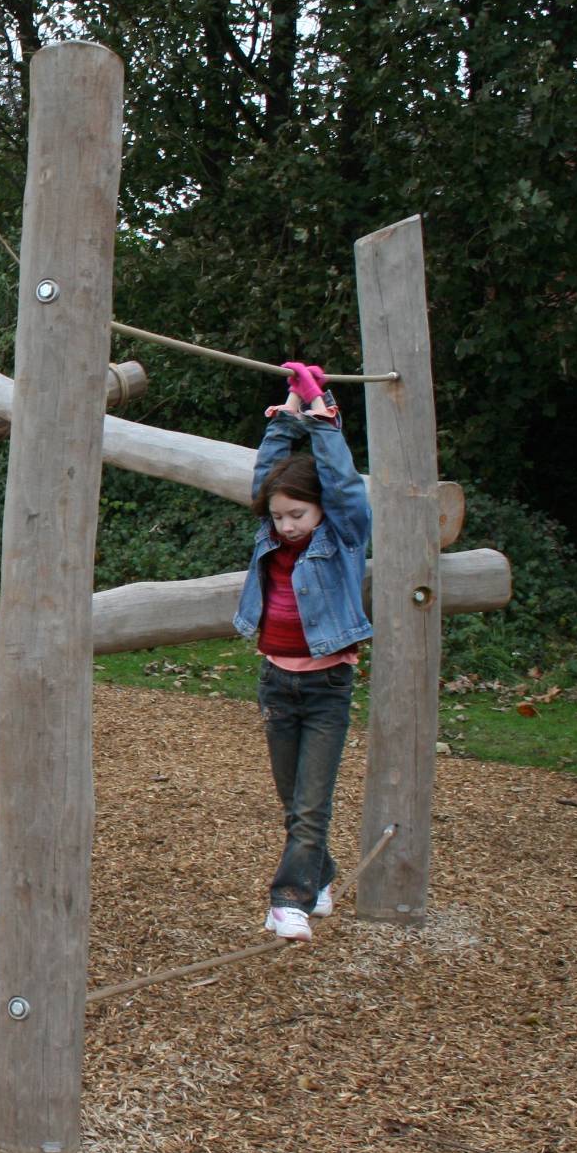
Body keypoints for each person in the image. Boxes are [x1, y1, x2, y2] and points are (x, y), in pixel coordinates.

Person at [233, 361, 372, 943]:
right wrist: (286, 418)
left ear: (320, 513)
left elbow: (342, 486)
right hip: (276, 684)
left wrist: (322, 420)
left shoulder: (341, 538)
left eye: (299, 515)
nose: (287, 526)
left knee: (312, 808)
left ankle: (287, 900)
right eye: (280, 516)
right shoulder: (270, 533)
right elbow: (267, 476)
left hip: (325, 690)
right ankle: (320, 876)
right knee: (295, 804)